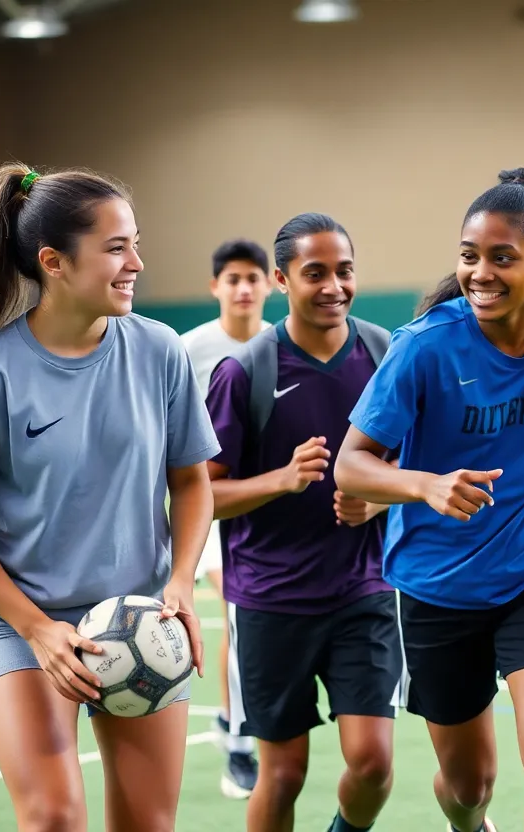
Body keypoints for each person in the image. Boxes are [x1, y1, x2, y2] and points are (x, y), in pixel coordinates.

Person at [336, 166, 524, 832]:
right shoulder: (425, 347)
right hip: (438, 587)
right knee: (470, 786)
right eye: (470, 257)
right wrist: (425, 485)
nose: (481, 273)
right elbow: (350, 466)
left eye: (503, 258)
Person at [0, 163, 219, 831]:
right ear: (54, 262)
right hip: (23, 627)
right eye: (117, 247)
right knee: (54, 817)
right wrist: (37, 628)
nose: (137, 262)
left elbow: (192, 479)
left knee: (149, 823)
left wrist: (180, 582)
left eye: (135, 242)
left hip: (140, 620)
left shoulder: (160, 352)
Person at [204, 212, 402, 832]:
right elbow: (200, 497)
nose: (333, 286)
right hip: (270, 600)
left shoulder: (383, 352)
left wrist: (378, 501)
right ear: (281, 281)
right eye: (314, 273)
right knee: (283, 774)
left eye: (344, 271)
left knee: (373, 764)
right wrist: (281, 480)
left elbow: (412, 465)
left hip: (363, 590)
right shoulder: (242, 374)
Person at [180, 238, 272, 799]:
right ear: (215, 286)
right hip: (206, 505)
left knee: (251, 619)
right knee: (238, 614)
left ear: (268, 285)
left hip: (266, 505)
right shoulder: (188, 350)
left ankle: (233, 717)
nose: (242, 288)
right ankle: (239, 739)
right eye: (231, 278)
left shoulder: (281, 347)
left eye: (252, 278)